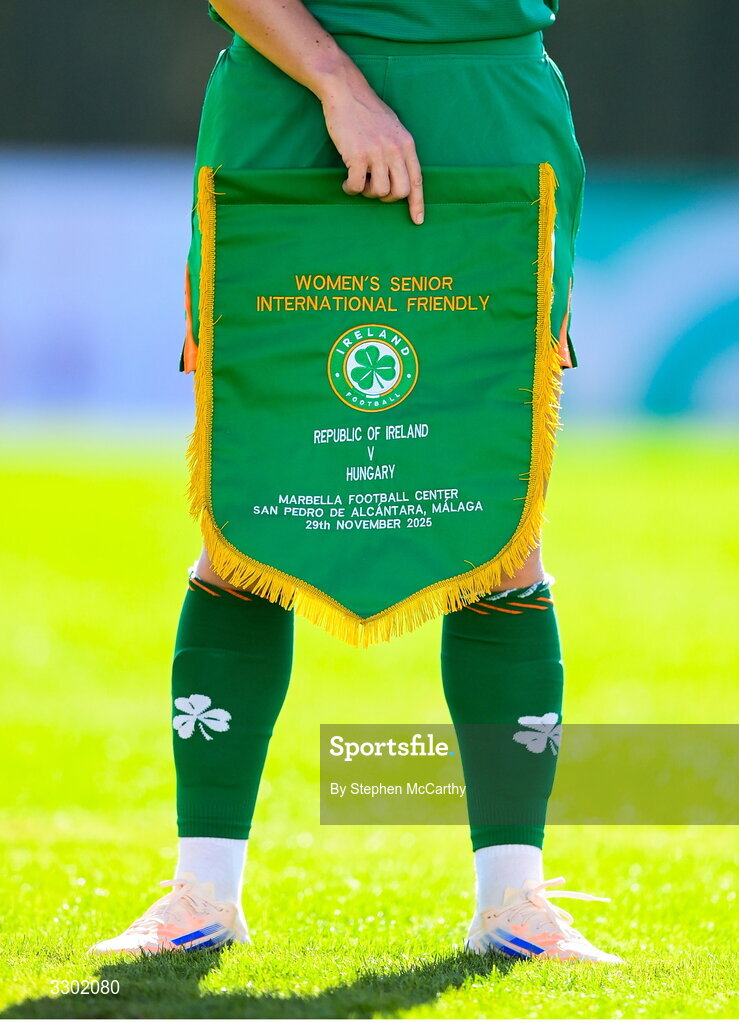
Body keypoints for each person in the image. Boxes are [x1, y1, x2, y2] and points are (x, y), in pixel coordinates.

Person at [89, 0, 622, 962]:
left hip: (490, 115)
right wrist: (339, 84)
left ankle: (515, 905)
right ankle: (198, 897)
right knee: (250, 513)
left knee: (495, 519)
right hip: (289, 109)